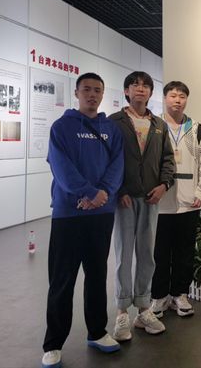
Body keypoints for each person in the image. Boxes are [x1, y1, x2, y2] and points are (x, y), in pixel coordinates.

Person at [42, 72, 124, 368]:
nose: (92, 94)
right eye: (86, 89)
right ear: (76, 93)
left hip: (101, 214)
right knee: (62, 280)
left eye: (97, 90)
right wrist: (90, 192)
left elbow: (117, 165)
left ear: (103, 94)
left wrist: (103, 194)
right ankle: (53, 344)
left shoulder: (111, 129)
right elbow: (61, 167)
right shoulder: (61, 127)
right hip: (68, 213)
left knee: (97, 275)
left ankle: (97, 332)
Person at [109, 72, 175, 342]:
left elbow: (168, 159)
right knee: (124, 254)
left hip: (151, 197)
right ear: (126, 91)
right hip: (124, 199)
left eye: (146, 85)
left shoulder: (159, 125)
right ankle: (122, 311)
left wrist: (164, 185)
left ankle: (144, 309)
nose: (140, 88)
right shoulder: (114, 122)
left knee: (147, 254)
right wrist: (118, 189)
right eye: (135, 85)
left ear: (150, 92)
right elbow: (108, 159)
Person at [150, 81, 201, 318]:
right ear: (165, 98)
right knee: (159, 253)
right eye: (173, 95)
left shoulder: (196, 129)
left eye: (182, 96)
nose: (177, 100)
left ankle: (180, 294)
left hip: (189, 202)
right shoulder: (155, 126)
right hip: (160, 202)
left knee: (184, 252)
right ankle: (158, 296)